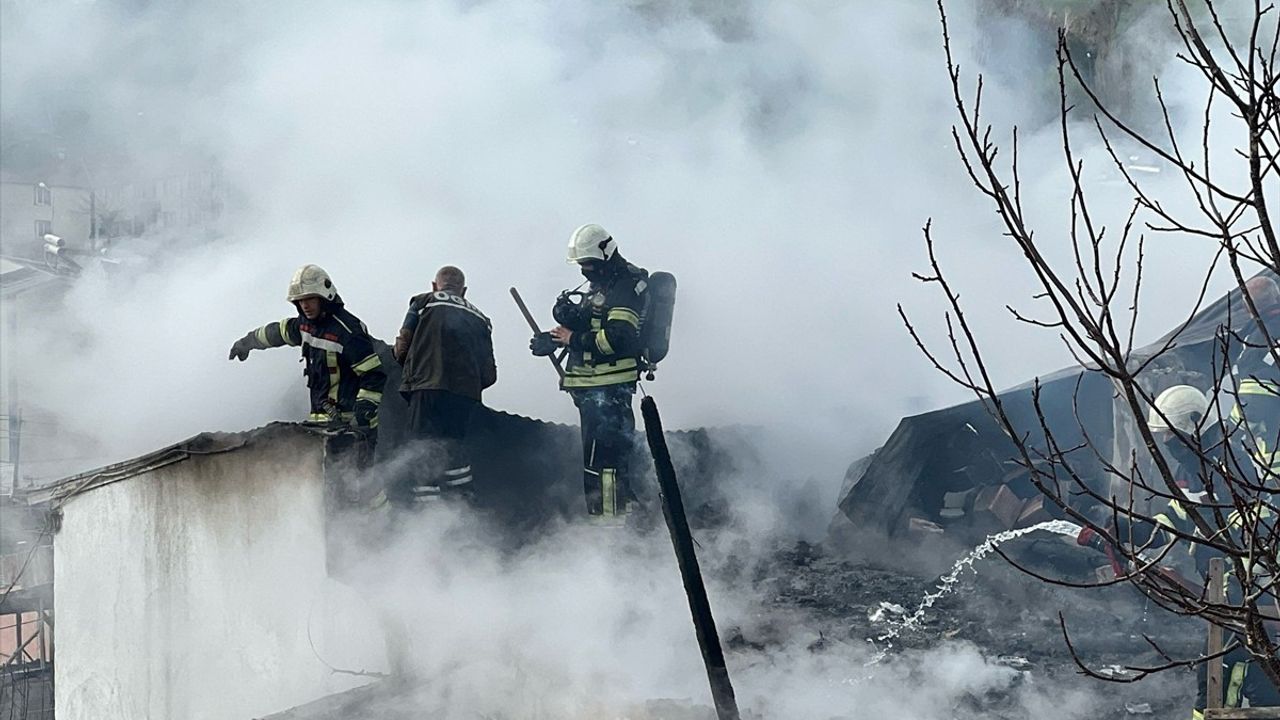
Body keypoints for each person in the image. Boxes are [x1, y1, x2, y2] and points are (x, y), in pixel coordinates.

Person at [531, 223, 648, 521]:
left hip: (609, 390)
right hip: (594, 390)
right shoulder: (604, 284)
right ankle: (627, 523)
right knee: (606, 463)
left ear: (606, 255)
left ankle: (610, 528)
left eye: (588, 264)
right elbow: (591, 326)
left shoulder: (626, 286)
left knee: (604, 467)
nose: (584, 270)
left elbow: (617, 338)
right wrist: (555, 339)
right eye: (581, 264)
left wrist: (573, 339)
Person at [228, 264, 386, 437]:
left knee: (347, 465)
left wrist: (362, 414)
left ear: (324, 297)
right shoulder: (305, 325)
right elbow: (278, 333)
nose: (305, 306)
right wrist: (247, 342)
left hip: (352, 429)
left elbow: (373, 375)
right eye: (300, 300)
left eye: (310, 299)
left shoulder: (348, 332)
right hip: (321, 424)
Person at [392, 265, 496, 505]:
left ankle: (428, 517)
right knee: (455, 452)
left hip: (426, 390)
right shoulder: (481, 319)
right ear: (464, 291)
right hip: (464, 397)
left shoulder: (423, 302)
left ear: (434, 285)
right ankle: (464, 509)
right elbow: (489, 374)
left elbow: (402, 349)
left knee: (422, 451)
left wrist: (410, 368)